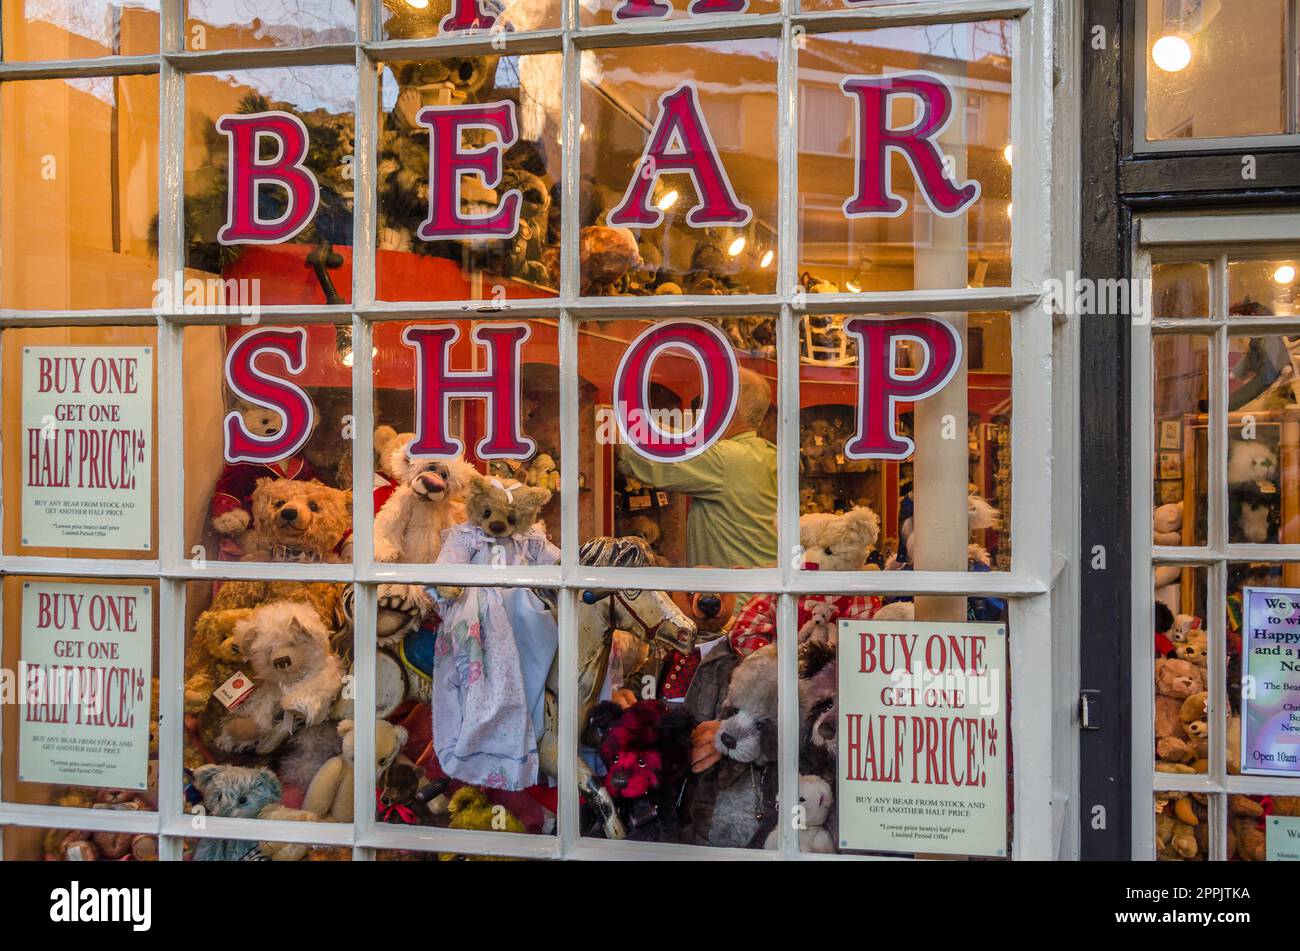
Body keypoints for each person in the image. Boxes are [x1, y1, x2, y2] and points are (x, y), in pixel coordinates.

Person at [618, 367, 777, 568]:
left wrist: (613, 418)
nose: (699, 412)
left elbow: (642, 448)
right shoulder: (767, 454)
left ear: (728, 408)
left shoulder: (726, 458)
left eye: (706, 402)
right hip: (761, 592)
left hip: (733, 597)